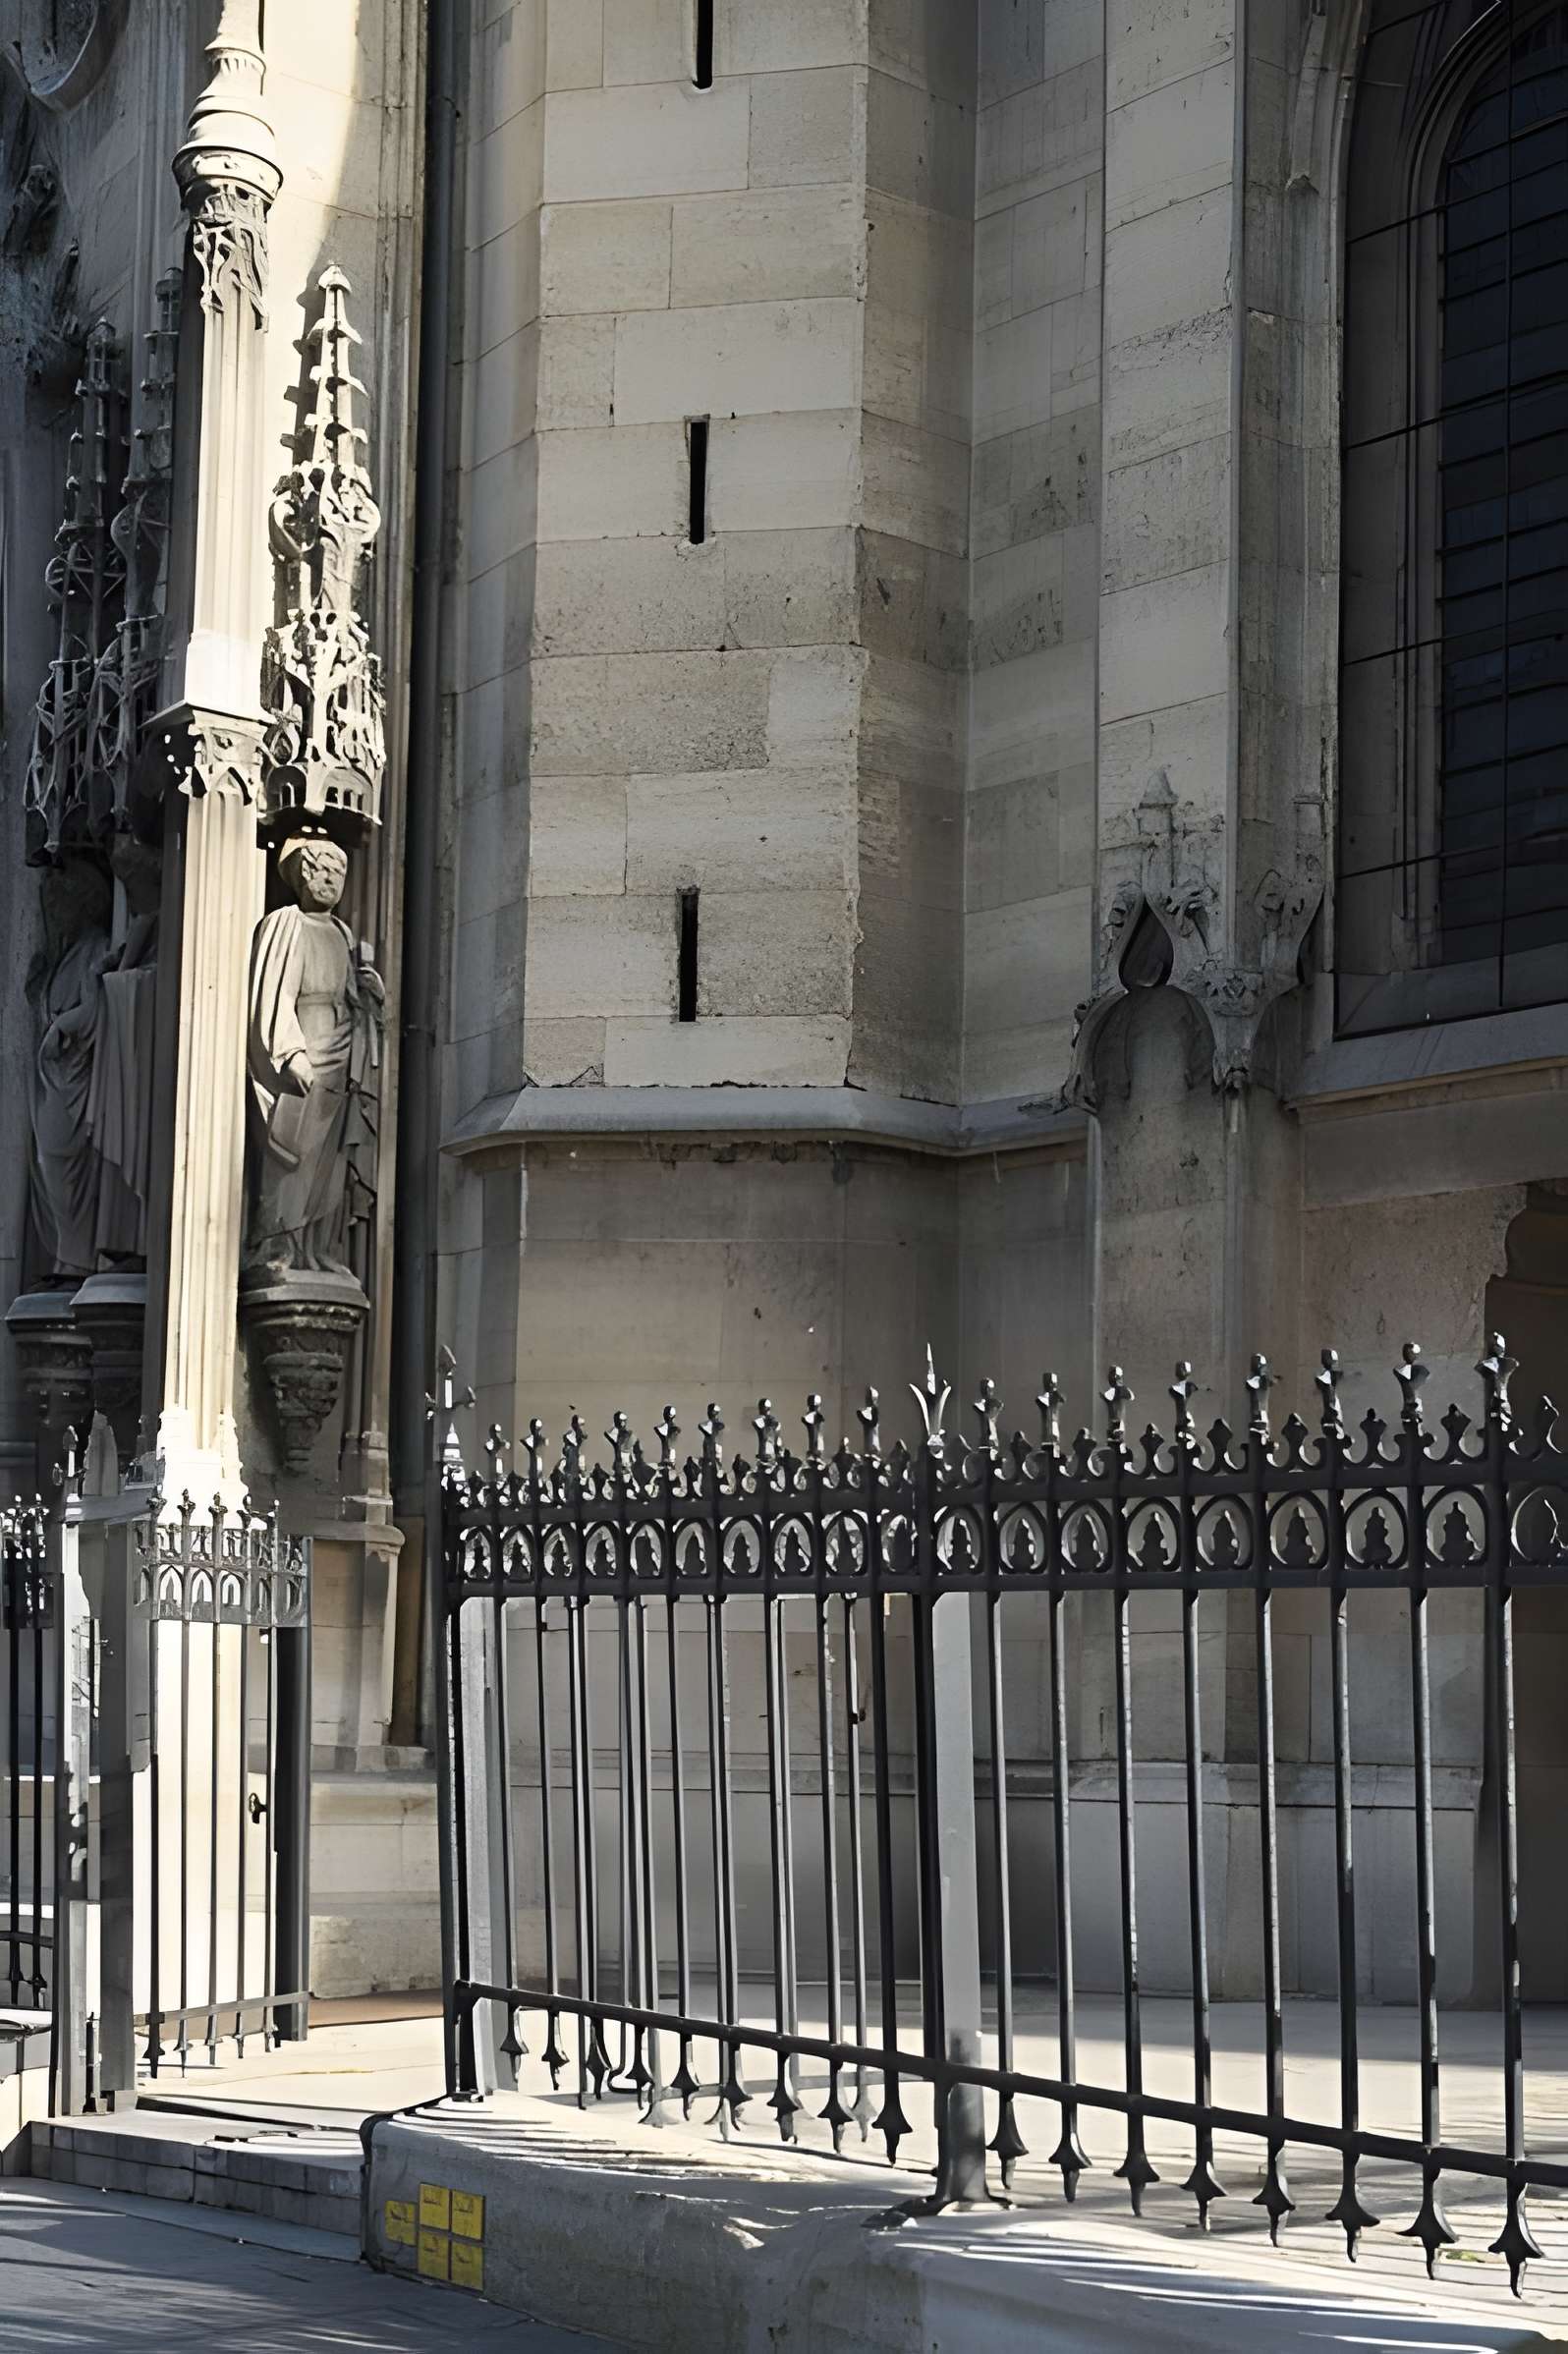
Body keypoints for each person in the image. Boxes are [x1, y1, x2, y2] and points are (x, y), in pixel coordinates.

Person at [246, 834, 381, 1277]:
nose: (329, 881)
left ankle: (321, 1249)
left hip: (341, 1052)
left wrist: (370, 994)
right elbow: (271, 993)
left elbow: (354, 998)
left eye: (338, 873)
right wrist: (289, 1053)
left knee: (332, 1159)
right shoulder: (285, 923)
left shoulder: (344, 934)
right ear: (301, 876)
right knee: (290, 1153)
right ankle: (277, 1247)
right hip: (304, 1047)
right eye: (320, 871)